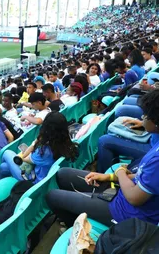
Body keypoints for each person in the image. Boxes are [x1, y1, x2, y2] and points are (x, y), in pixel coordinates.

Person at [46, 90, 159, 227]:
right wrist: (110, 177)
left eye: (145, 115)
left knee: (52, 196)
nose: (142, 117)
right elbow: (148, 178)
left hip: (127, 214)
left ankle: (79, 227)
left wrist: (120, 173)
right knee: (63, 174)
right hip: (121, 193)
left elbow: (135, 198)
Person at [0, 111, 77, 182]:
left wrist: (35, 142)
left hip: (33, 182)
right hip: (51, 180)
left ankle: (0, 186)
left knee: (7, 152)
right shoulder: (67, 143)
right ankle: (0, 184)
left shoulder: (44, 151)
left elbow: (24, 157)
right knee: (4, 167)